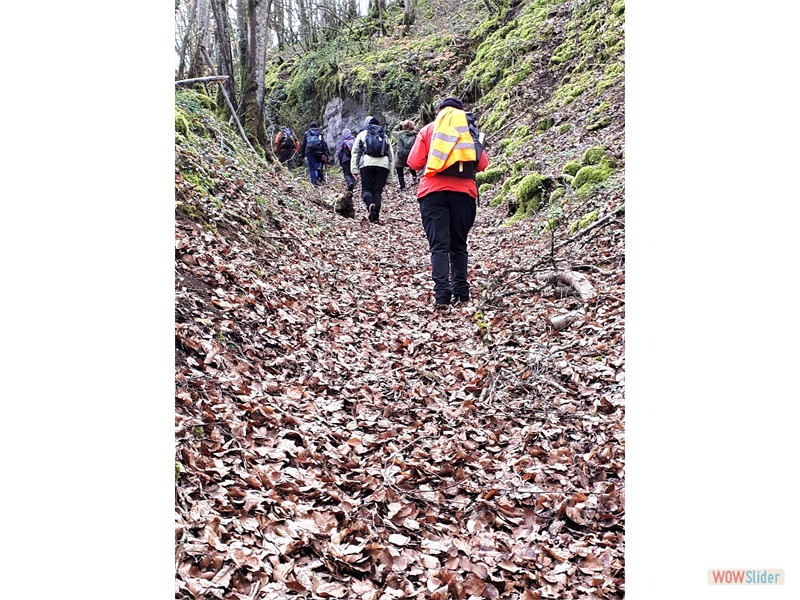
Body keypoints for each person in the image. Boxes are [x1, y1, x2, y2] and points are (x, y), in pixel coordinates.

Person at [406, 97, 488, 309]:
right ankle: (462, 293)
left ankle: (442, 295)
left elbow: (413, 163)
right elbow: (482, 165)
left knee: (439, 246)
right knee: (459, 244)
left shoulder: (428, 130)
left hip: (432, 193)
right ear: (462, 112)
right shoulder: (468, 130)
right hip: (464, 193)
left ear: (438, 112)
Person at [351, 116, 394, 223]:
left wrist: (354, 169)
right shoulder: (384, 136)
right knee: (377, 191)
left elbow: (355, 152)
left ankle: (370, 204)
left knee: (366, 190)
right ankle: (375, 217)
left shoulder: (362, 134)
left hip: (367, 164)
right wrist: (390, 177)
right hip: (383, 166)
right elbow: (391, 157)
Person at [299, 121, 330, 185]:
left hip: (309, 151)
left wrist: (302, 154)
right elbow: (323, 144)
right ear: (317, 127)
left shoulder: (307, 133)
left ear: (310, 127)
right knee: (318, 163)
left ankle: (314, 182)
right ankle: (319, 169)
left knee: (312, 168)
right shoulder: (319, 134)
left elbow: (303, 144)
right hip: (319, 151)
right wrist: (326, 154)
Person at [394, 120, 418, 190]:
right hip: (410, 155)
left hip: (400, 156)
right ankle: (415, 178)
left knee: (400, 172)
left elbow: (393, 131)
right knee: (411, 166)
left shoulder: (399, 134)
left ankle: (403, 187)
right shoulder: (415, 135)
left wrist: (399, 124)